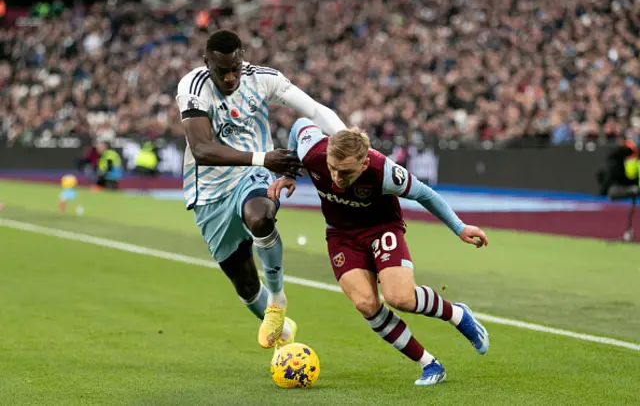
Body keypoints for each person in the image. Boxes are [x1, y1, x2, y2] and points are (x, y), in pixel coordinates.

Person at [268, 119, 490, 386]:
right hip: (341, 235)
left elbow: (426, 195)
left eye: (346, 173)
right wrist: (290, 173)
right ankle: (430, 364)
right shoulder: (313, 150)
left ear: (363, 165)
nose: (337, 178)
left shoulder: (384, 172)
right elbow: (299, 125)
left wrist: (459, 227)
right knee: (366, 304)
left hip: (382, 228)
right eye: (332, 169)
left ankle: (457, 314)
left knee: (400, 298)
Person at [175, 30, 347, 351]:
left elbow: (314, 110)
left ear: (243, 59)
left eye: (235, 68)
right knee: (245, 285)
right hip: (210, 192)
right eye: (221, 70)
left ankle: (278, 299)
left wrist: (349, 139)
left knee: (260, 217)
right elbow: (201, 149)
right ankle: (284, 332)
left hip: (254, 176)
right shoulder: (193, 87)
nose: (229, 77)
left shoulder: (262, 79)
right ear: (206, 64)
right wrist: (264, 158)